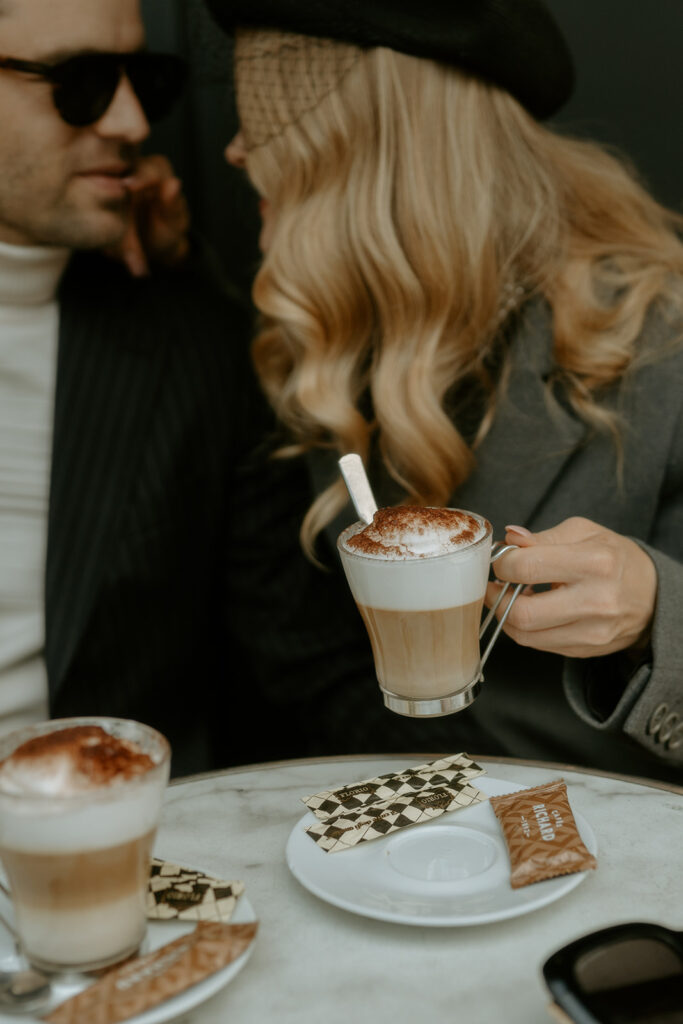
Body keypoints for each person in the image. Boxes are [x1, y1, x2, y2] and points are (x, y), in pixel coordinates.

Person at [203, 0, 683, 781]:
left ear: (374, 150)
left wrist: (657, 610)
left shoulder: (659, 340)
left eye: (269, 113)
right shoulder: (326, 336)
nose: (233, 148)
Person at [0, 0, 329, 776]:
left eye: (143, 79)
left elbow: (305, 671)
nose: (129, 120)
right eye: (79, 82)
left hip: (101, 855)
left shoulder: (191, 345)